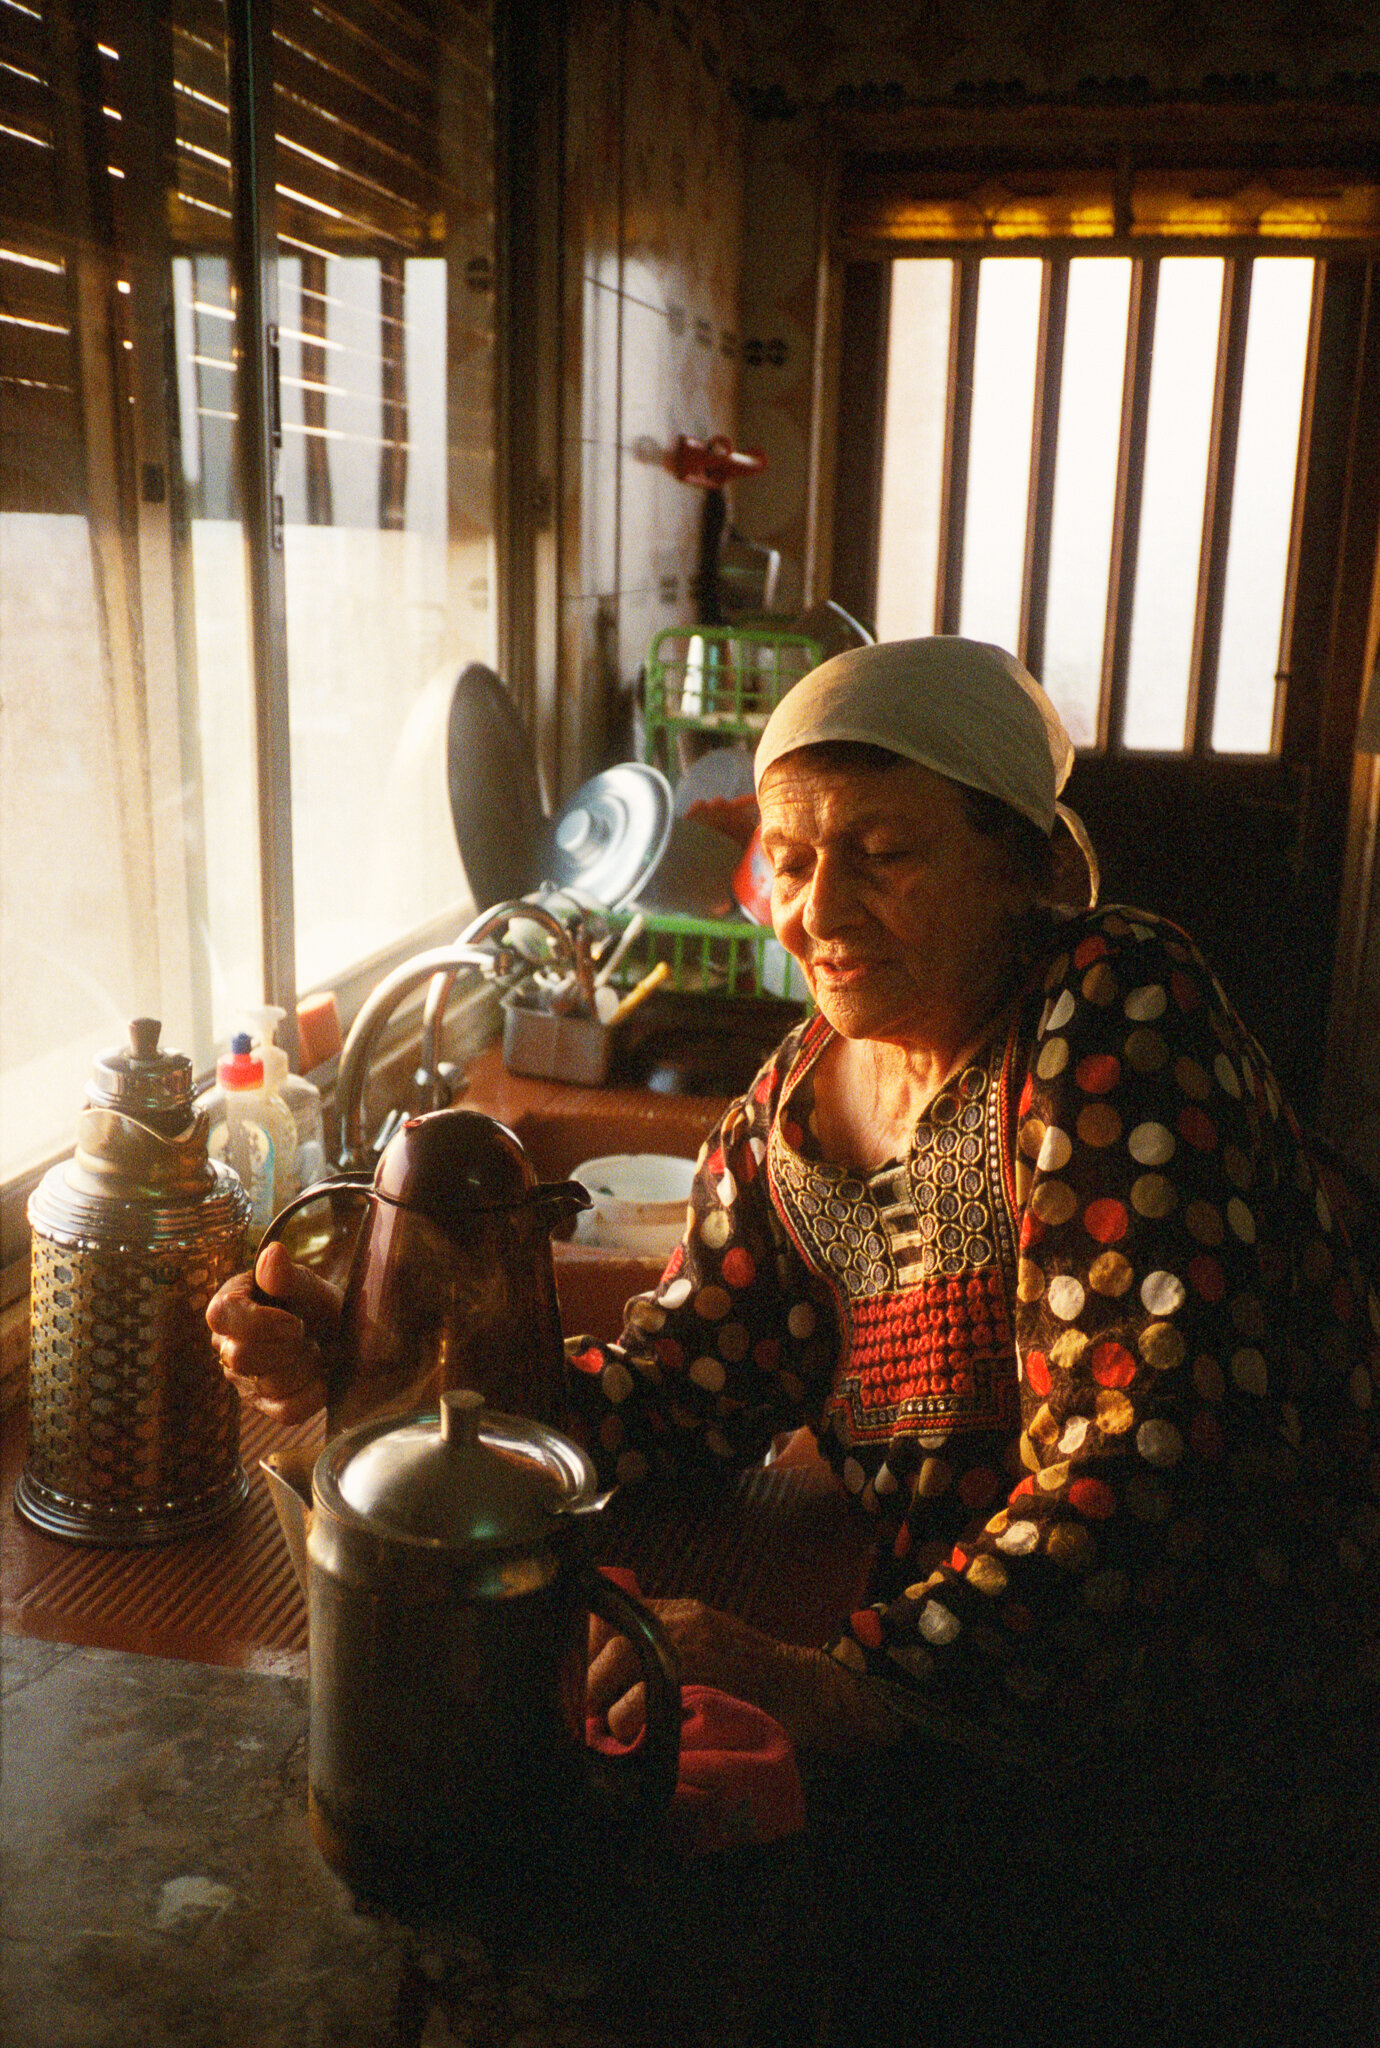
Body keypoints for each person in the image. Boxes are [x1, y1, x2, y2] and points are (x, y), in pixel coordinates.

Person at [210, 637, 1380, 2046]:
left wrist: (840, 1678)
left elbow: (1157, 1456)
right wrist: (377, 1367)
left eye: (884, 853)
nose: (819, 907)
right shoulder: (790, 1113)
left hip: (1216, 1755)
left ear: (1019, 866)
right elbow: (668, 1396)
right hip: (965, 1709)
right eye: (790, 855)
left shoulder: (1114, 1005)